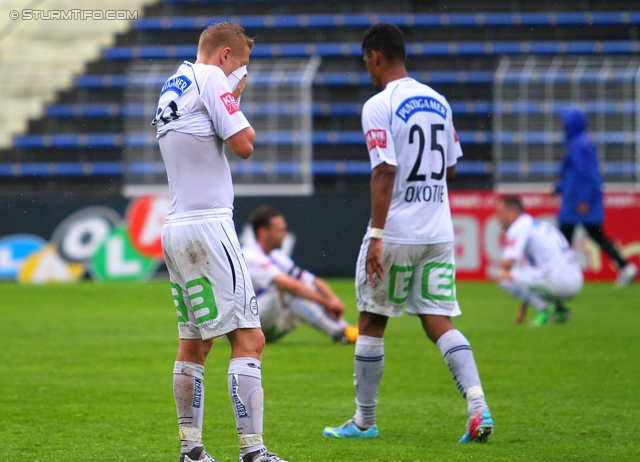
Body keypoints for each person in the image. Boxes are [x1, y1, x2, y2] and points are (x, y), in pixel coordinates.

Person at [322, 23, 494, 443]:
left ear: (375, 57)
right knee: (439, 319)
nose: (367, 69)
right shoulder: (438, 101)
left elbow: (384, 170)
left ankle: (364, 421)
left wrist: (377, 234)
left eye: (366, 62)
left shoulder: (380, 104)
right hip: (438, 231)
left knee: (371, 321)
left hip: (397, 229)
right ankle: (478, 406)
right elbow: (451, 166)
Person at [152, 23, 287, 462]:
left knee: (194, 342)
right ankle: (254, 452)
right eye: (242, 65)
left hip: (175, 226)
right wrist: (235, 91)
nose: (241, 75)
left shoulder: (174, 82)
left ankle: (191, 451)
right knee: (250, 340)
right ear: (225, 54)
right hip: (209, 225)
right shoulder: (211, 76)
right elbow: (245, 144)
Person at [242, 205, 359, 344]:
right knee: (288, 291)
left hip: (262, 318)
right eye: (280, 230)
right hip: (242, 325)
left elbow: (311, 280)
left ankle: (346, 329)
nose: (285, 234)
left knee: (304, 286)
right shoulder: (250, 255)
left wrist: (333, 299)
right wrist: (326, 302)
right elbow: (289, 285)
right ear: (263, 232)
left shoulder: (275, 255)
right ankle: (341, 333)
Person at [554, 106, 637, 288]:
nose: (560, 124)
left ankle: (557, 274)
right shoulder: (582, 142)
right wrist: (558, 188)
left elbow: (582, 173)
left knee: (563, 239)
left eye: (563, 121)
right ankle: (625, 266)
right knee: (596, 235)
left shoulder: (577, 144)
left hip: (577, 201)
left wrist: (582, 199)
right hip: (582, 198)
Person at [495, 195, 584, 326]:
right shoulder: (540, 224)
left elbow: (508, 263)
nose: (498, 218)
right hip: (575, 280)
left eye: (500, 213)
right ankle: (559, 309)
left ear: (513, 213)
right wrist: (522, 311)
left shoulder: (519, 227)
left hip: (558, 281)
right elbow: (527, 277)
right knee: (528, 273)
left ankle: (547, 310)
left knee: (502, 276)